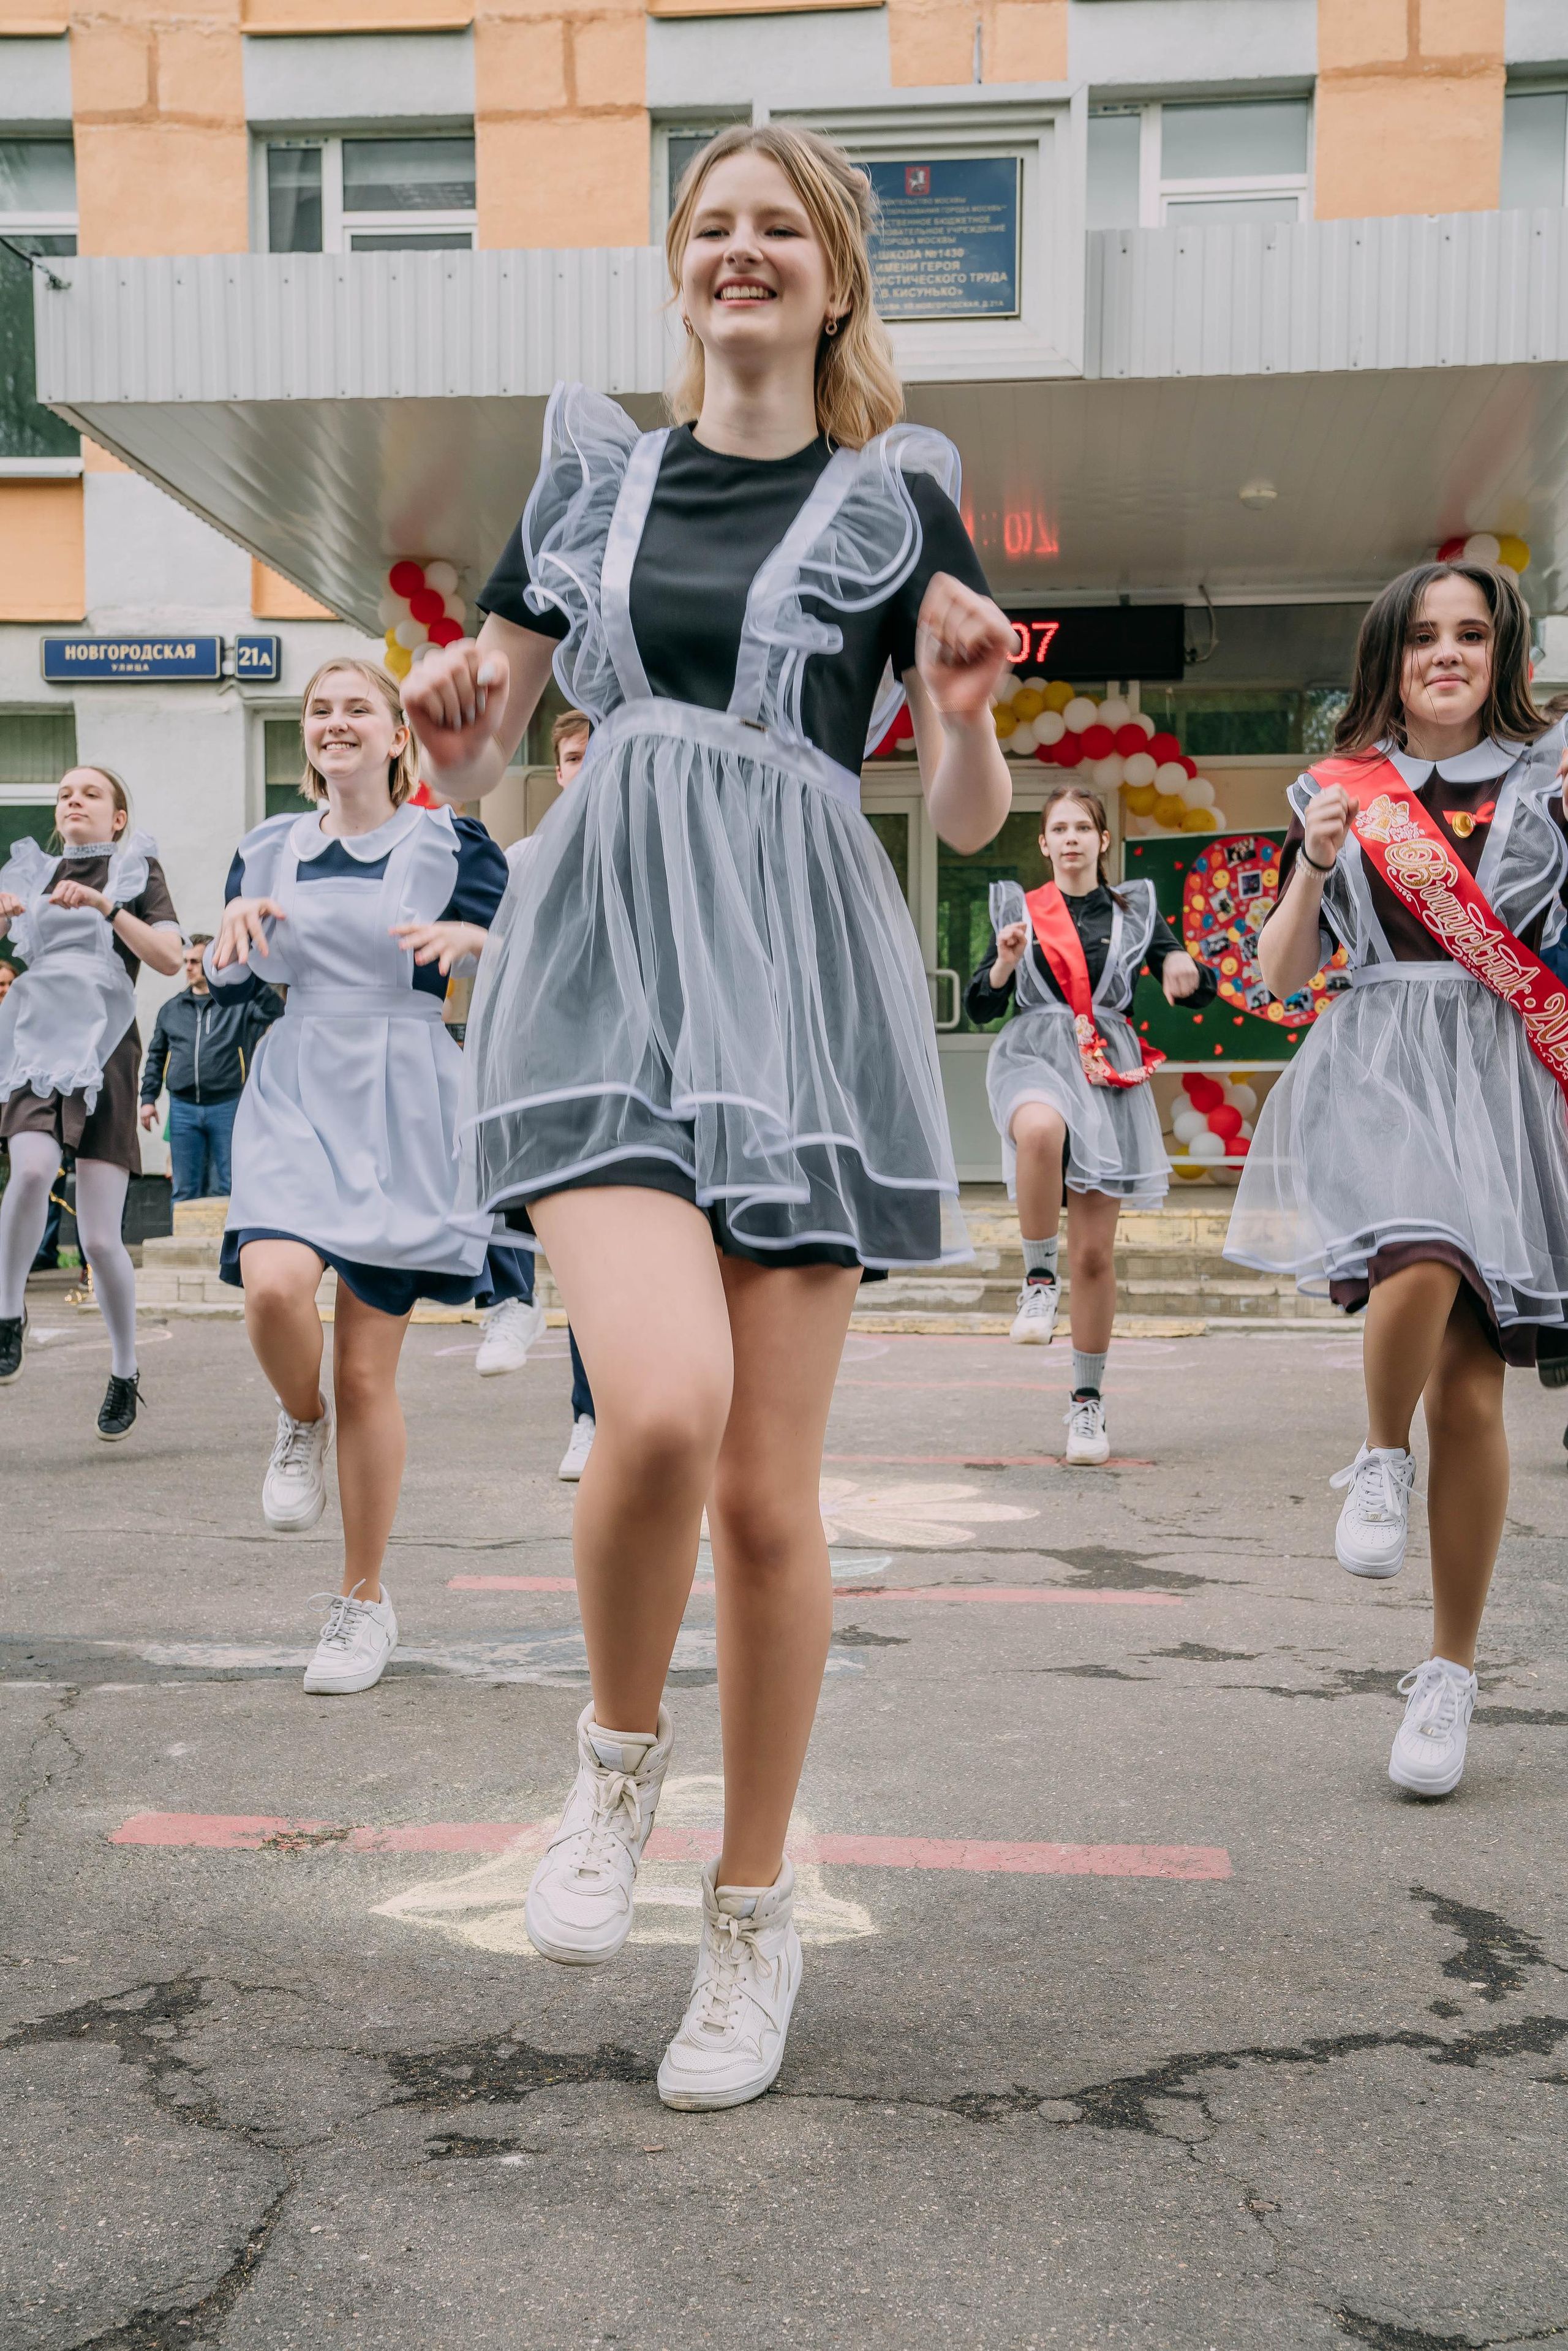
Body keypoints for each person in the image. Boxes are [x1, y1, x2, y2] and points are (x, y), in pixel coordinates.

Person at [404, 123, 1013, 2111]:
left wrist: (968, 712)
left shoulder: (900, 500)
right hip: (606, 962)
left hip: (798, 987)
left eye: (778, 230)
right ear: (681, 267)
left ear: (833, 280)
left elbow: (968, 816)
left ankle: (749, 1916)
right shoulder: (591, 478)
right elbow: (489, 735)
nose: (740, 251)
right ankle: (610, 1760)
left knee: (764, 1494)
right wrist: (454, 733)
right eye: (711, 226)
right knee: (655, 1404)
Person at [1226, 561, 1568, 1798]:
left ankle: (1447, 1673)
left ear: (1502, 653)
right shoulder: (1340, 789)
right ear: (1391, 655)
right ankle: (1378, 1451)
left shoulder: (1551, 783)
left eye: (1471, 633)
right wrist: (1314, 865)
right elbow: (1277, 974)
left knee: (1471, 1395)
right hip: (1380, 1066)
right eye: (1424, 635)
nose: (1447, 653)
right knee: (1418, 1254)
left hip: (1504, 1080)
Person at [206, 657, 508, 1697]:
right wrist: (226, 945)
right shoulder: (265, 847)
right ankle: (300, 1416)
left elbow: (533, 952)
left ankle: (362, 1597)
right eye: (319, 709)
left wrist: (480, 939)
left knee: (369, 1375)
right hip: (299, 1082)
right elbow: (229, 975)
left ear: (396, 736)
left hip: (406, 1095)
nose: (335, 722)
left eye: (357, 708)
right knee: (274, 1290)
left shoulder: (452, 843)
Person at [965, 783, 1213, 1463]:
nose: (1071, 838)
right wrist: (1005, 962)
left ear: (1103, 841)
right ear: (1044, 843)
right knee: (1039, 1130)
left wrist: (1182, 967)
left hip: (1104, 1071)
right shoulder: (1020, 911)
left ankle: (1087, 1405)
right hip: (1036, 1056)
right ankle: (1037, 1282)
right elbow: (981, 1005)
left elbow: (1190, 982)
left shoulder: (1136, 910)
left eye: (1083, 828)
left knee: (1096, 1256)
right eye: (1059, 828)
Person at [0, 766, 183, 1431]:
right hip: (35, 1039)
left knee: (101, 1238)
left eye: (90, 793)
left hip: (105, 1044)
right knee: (30, 1170)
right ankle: (8, 1315)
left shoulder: (136, 868)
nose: (73, 800)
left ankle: (125, 1371)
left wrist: (107, 907)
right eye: (64, 794)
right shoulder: (31, 873)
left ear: (117, 818)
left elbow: (169, 958)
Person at [470, 708, 600, 1479]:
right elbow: (489, 961)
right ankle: (516, 1309)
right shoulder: (524, 860)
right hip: (550, 1071)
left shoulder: (664, 854)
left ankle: (600, 1414)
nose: (585, 767)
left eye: (598, 753)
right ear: (558, 769)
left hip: (633, 1080)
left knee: (607, 1265)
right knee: (575, 1255)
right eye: (574, 756)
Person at [139, 933, 284, 1201]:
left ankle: (224, 1231)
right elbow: (156, 1056)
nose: (188, 967)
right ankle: (183, 1232)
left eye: (195, 961)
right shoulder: (171, 1009)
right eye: (187, 961)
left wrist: (247, 975)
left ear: (211, 963)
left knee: (228, 1185)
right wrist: (148, 1099)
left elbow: (275, 1011)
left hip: (227, 1105)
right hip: (183, 1108)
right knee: (184, 1189)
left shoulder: (238, 1005)